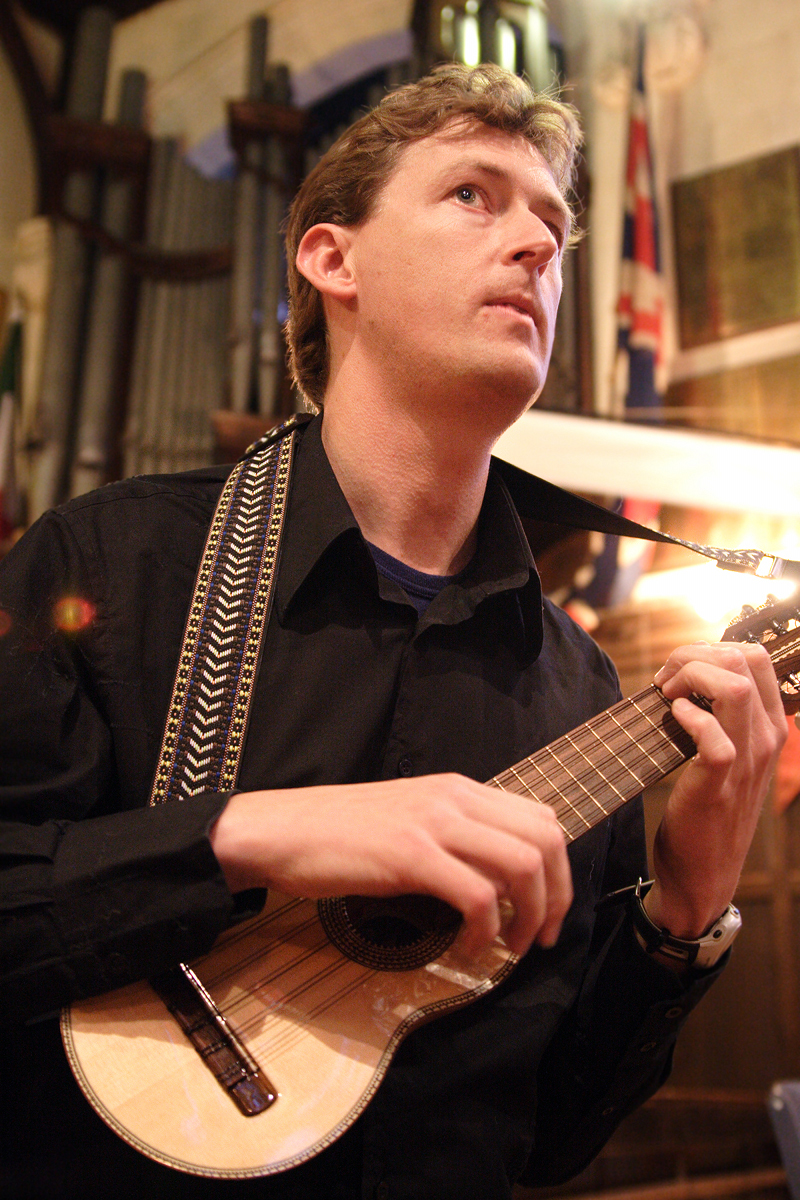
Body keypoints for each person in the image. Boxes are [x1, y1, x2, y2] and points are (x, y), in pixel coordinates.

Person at [0, 64, 785, 1200]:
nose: (535, 246)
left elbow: (552, 1133)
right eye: (474, 195)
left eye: (552, 228)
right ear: (332, 259)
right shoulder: (116, 565)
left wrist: (686, 909)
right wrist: (251, 836)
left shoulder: (577, 687)